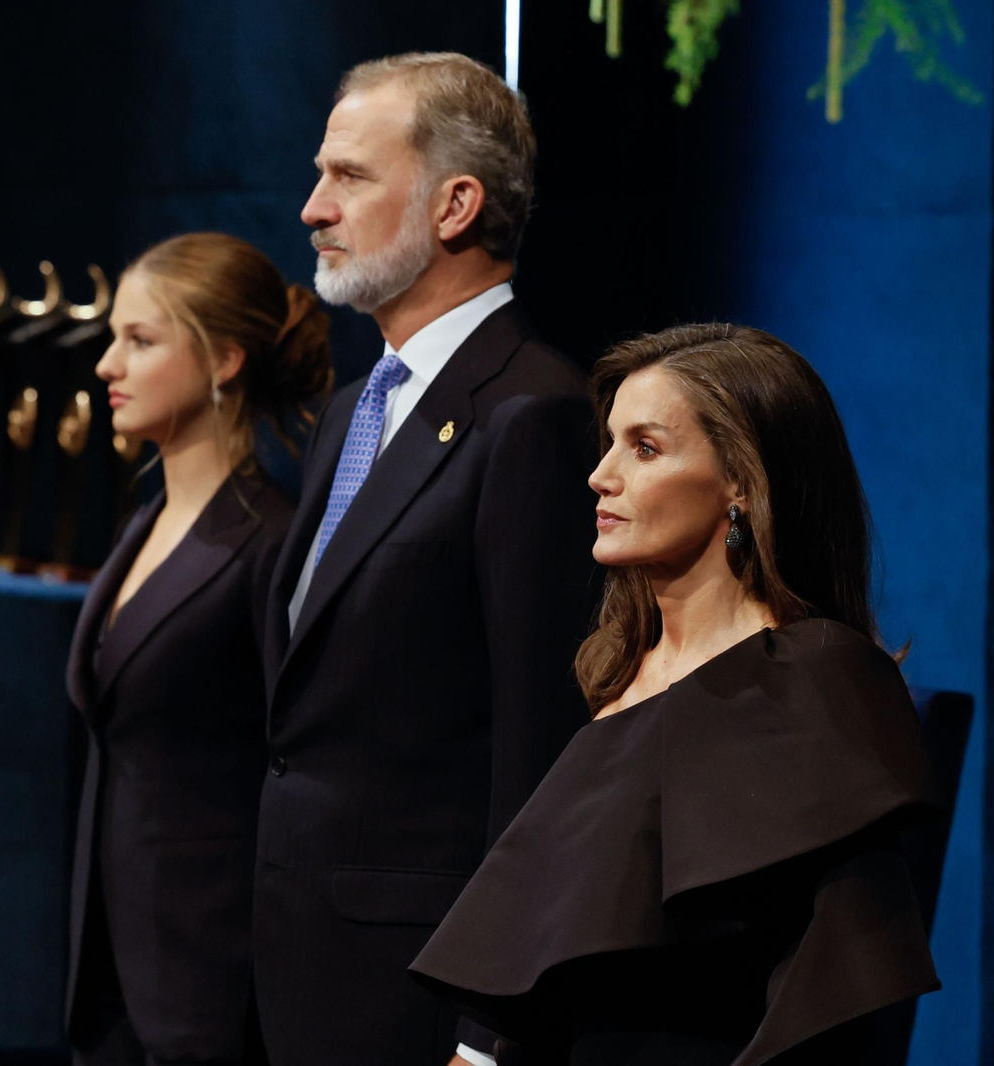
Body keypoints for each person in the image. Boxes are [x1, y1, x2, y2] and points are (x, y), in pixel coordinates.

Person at [410, 324, 943, 1065]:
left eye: (646, 448)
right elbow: (541, 961)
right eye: (609, 443)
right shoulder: (616, 678)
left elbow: (833, 992)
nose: (602, 474)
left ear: (742, 483)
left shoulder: (816, 680)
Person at [255, 52, 599, 1066]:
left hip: (422, 996)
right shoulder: (355, 411)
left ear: (456, 203)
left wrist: (495, 1027)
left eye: (350, 176)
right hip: (296, 973)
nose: (314, 208)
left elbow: (541, 749)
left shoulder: (531, 412)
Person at [65, 233, 332, 1066]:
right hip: (108, 972)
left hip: (208, 982)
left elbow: (296, 774)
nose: (108, 365)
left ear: (223, 359)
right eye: (114, 337)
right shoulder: (143, 524)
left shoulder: (269, 545)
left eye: (140, 341)